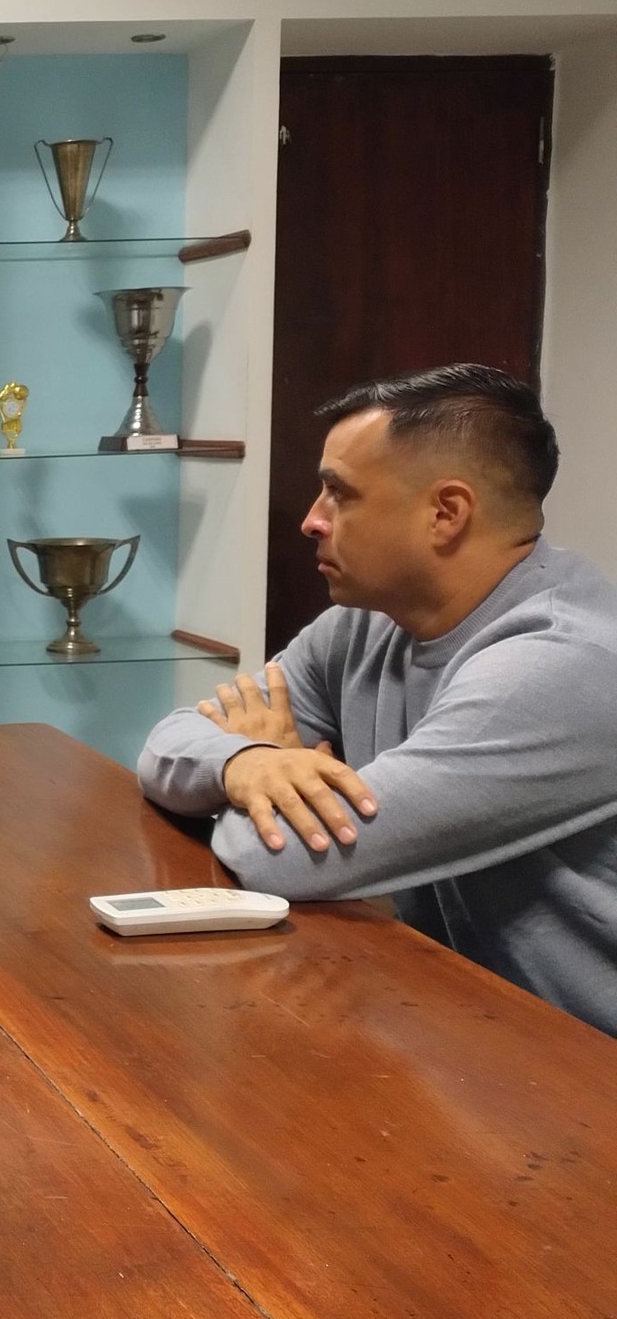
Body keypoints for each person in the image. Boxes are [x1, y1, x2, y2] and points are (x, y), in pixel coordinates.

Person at [138, 365, 617, 1036]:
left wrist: (257, 768)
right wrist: (247, 763)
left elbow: (280, 857)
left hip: (582, 1062)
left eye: (339, 493)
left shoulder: (560, 667)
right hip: (462, 1020)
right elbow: (166, 744)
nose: (311, 520)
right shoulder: (367, 622)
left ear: (446, 513)